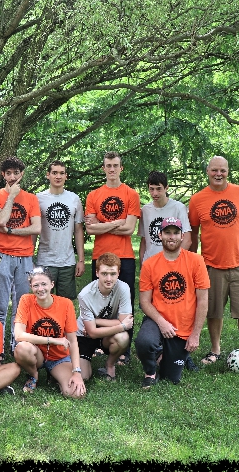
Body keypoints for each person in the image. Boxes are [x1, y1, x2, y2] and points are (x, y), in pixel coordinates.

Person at [188, 156, 239, 373]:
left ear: (228, 171)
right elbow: (193, 235)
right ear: (207, 171)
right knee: (213, 312)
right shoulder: (197, 200)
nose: (218, 174)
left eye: (222, 170)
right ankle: (215, 351)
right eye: (214, 170)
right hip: (211, 266)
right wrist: (190, 262)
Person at [136, 218, 209, 389]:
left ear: (182, 236)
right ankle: (150, 371)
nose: (172, 237)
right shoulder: (150, 264)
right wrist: (161, 322)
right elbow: (145, 302)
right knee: (144, 342)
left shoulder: (196, 261)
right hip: (157, 319)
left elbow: (203, 300)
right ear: (160, 235)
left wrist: (195, 335)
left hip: (182, 327)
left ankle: (164, 354)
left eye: (176, 233)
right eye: (167, 232)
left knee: (171, 378)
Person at [84, 152, 140, 365]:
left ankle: (124, 349)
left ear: (121, 168)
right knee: (99, 302)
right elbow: (90, 229)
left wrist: (102, 225)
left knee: (125, 303)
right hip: (100, 256)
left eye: (116, 165)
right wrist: (117, 222)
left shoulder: (131, 194)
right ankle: (99, 345)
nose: (112, 169)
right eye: (108, 165)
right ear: (103, 168)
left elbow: (130, 229)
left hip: (124, 256)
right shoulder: (93, 195)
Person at [0, 156, 41, 353]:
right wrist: (11, 197)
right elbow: (1, 220)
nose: (12, 177)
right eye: (8, 173)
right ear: (3, 175)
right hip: (2, 255)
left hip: (25, 257)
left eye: (15, 173)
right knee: (0, 306)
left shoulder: (31, 198)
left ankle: (16, 345)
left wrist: (10, 232)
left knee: (21, 305)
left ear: (21, 174)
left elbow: (36, 228)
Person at [13, 267, 86, 398]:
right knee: (21, 348)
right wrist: (52, 340)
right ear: (30, 286)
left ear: (52, 284)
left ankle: (55, 375)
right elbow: (18, 335)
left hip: (59, 357)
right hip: (36, 354)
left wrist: (77, 372)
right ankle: (34, 375)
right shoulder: (26, 300)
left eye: (44, 284)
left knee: (76, 394)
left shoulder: (66, 304)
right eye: (36, 285)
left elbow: (73, 341)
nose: (40, 289)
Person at [75, 252, 133, 381]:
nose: (109, 279)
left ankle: (110, 364)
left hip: (104, 333)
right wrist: (121, 325)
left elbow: (125, 320)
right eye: (104, 273)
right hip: (84, 335)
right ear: (97, 273)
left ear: (118, 273)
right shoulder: (85, 295)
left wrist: (95, 321)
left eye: (113, 274)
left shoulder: (123, 288)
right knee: (83, 376)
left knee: (123, 338)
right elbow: (92, 332)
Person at [34, 160, 85, 300]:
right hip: (44, 260)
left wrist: (80, 260)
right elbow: (34, 230)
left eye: (62, 173)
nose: (58, 176)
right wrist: (29, 258)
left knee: (66, 303)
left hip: (67, 261)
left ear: (66, 176)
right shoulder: (38, 199)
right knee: (43, 301)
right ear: (48, 175)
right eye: (54, 173)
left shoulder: (74, 199)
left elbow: (79, 230)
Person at [138, 171, 191, 263]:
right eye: (151, 189)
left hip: (171, 262)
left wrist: (175, 260)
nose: (155, 193)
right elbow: (144, 241)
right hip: (150, 263)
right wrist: (143, 264)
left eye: (159, 189)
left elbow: (187, 240)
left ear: (166, 188)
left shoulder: (178, 208)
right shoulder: (145, 210)